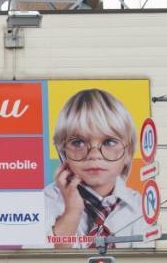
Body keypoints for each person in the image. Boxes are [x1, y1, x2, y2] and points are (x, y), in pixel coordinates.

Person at [43, 88, 143, 249]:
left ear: (128, 153)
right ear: (62, 153)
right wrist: (72, 211)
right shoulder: (46, 201)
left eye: (109, 142)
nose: (95, 155)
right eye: (78, 142)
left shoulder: (141, 207)